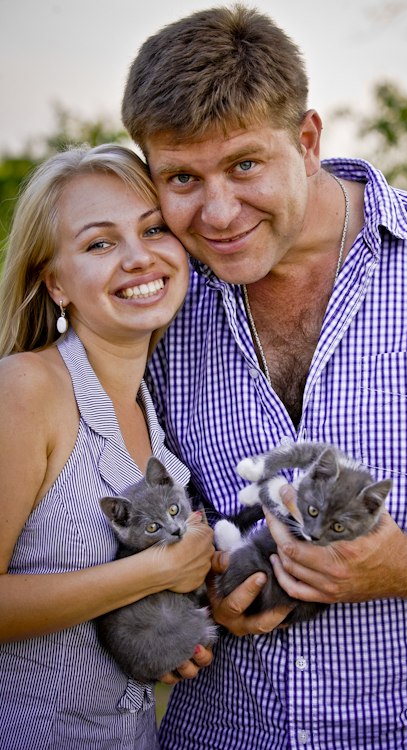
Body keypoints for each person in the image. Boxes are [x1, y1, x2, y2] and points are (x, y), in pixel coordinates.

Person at [121, 5, 407, 749]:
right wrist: (198, 590)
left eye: (245, 165)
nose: (218, 212)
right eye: (182, 178)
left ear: (308, 141)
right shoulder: (153, 306)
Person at [0, 144, 214, 750]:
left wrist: (165, 629)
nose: (139, 257)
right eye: (99, 243)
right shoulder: (26, 388)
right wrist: (158, 570)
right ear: (56, 282)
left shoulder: (155, 408)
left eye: (154, 229)